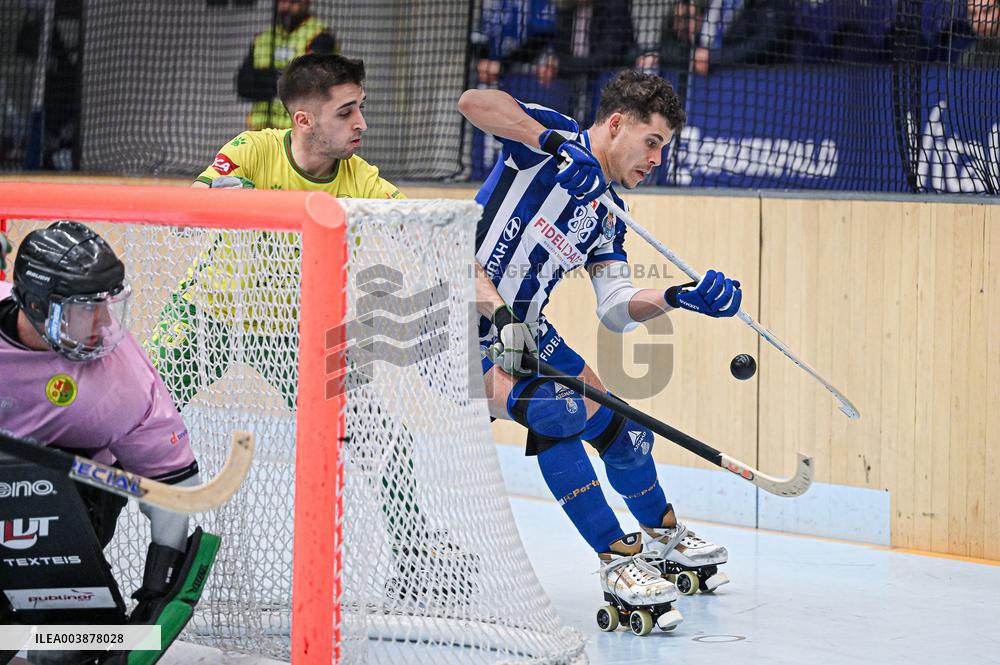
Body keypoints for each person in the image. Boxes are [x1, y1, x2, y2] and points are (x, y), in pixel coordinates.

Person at [156, 53, 466, 590]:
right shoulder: (251, 150)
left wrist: (445, 236)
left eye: (361, 109)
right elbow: (193, 211)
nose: (361, 124)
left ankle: (415, 558)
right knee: (135, 421)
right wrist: (214, 200)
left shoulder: (360, 178)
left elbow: (410, 222)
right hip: (207, 315)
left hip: (289, 331)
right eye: (346, 112)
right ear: (303, 120)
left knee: (382, 435)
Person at [459, 69, 740, 631]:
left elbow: (614, 308)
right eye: (652, 142)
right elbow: (474, 102)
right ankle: (618, 560)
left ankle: (662, 534)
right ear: (616, 125)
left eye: (665, 147)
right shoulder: (548, 140)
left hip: (525, 327)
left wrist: (678, 297)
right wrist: (552, 143)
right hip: (455, 319)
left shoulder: (609, 212)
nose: (658, 159)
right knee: (556, 409)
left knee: (625, 430)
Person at [0, 221, 218, 663]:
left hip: (65, 505)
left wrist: (159, 591)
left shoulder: (122, 383)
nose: (103, 325)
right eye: (86, 309)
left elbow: (173, 484)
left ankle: (72, 627)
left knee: (62, 654)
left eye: (109, 306)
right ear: (38, 305)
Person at [236, 0, 337, 130]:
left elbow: (310, 85)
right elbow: (243, 85)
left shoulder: (319, 37)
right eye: (281, 1)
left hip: (297, 134)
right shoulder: (264, 38)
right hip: (260, 133)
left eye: (293, 2)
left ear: (307, 2)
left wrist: (266, 79)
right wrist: (285, 78)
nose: (285, 7)